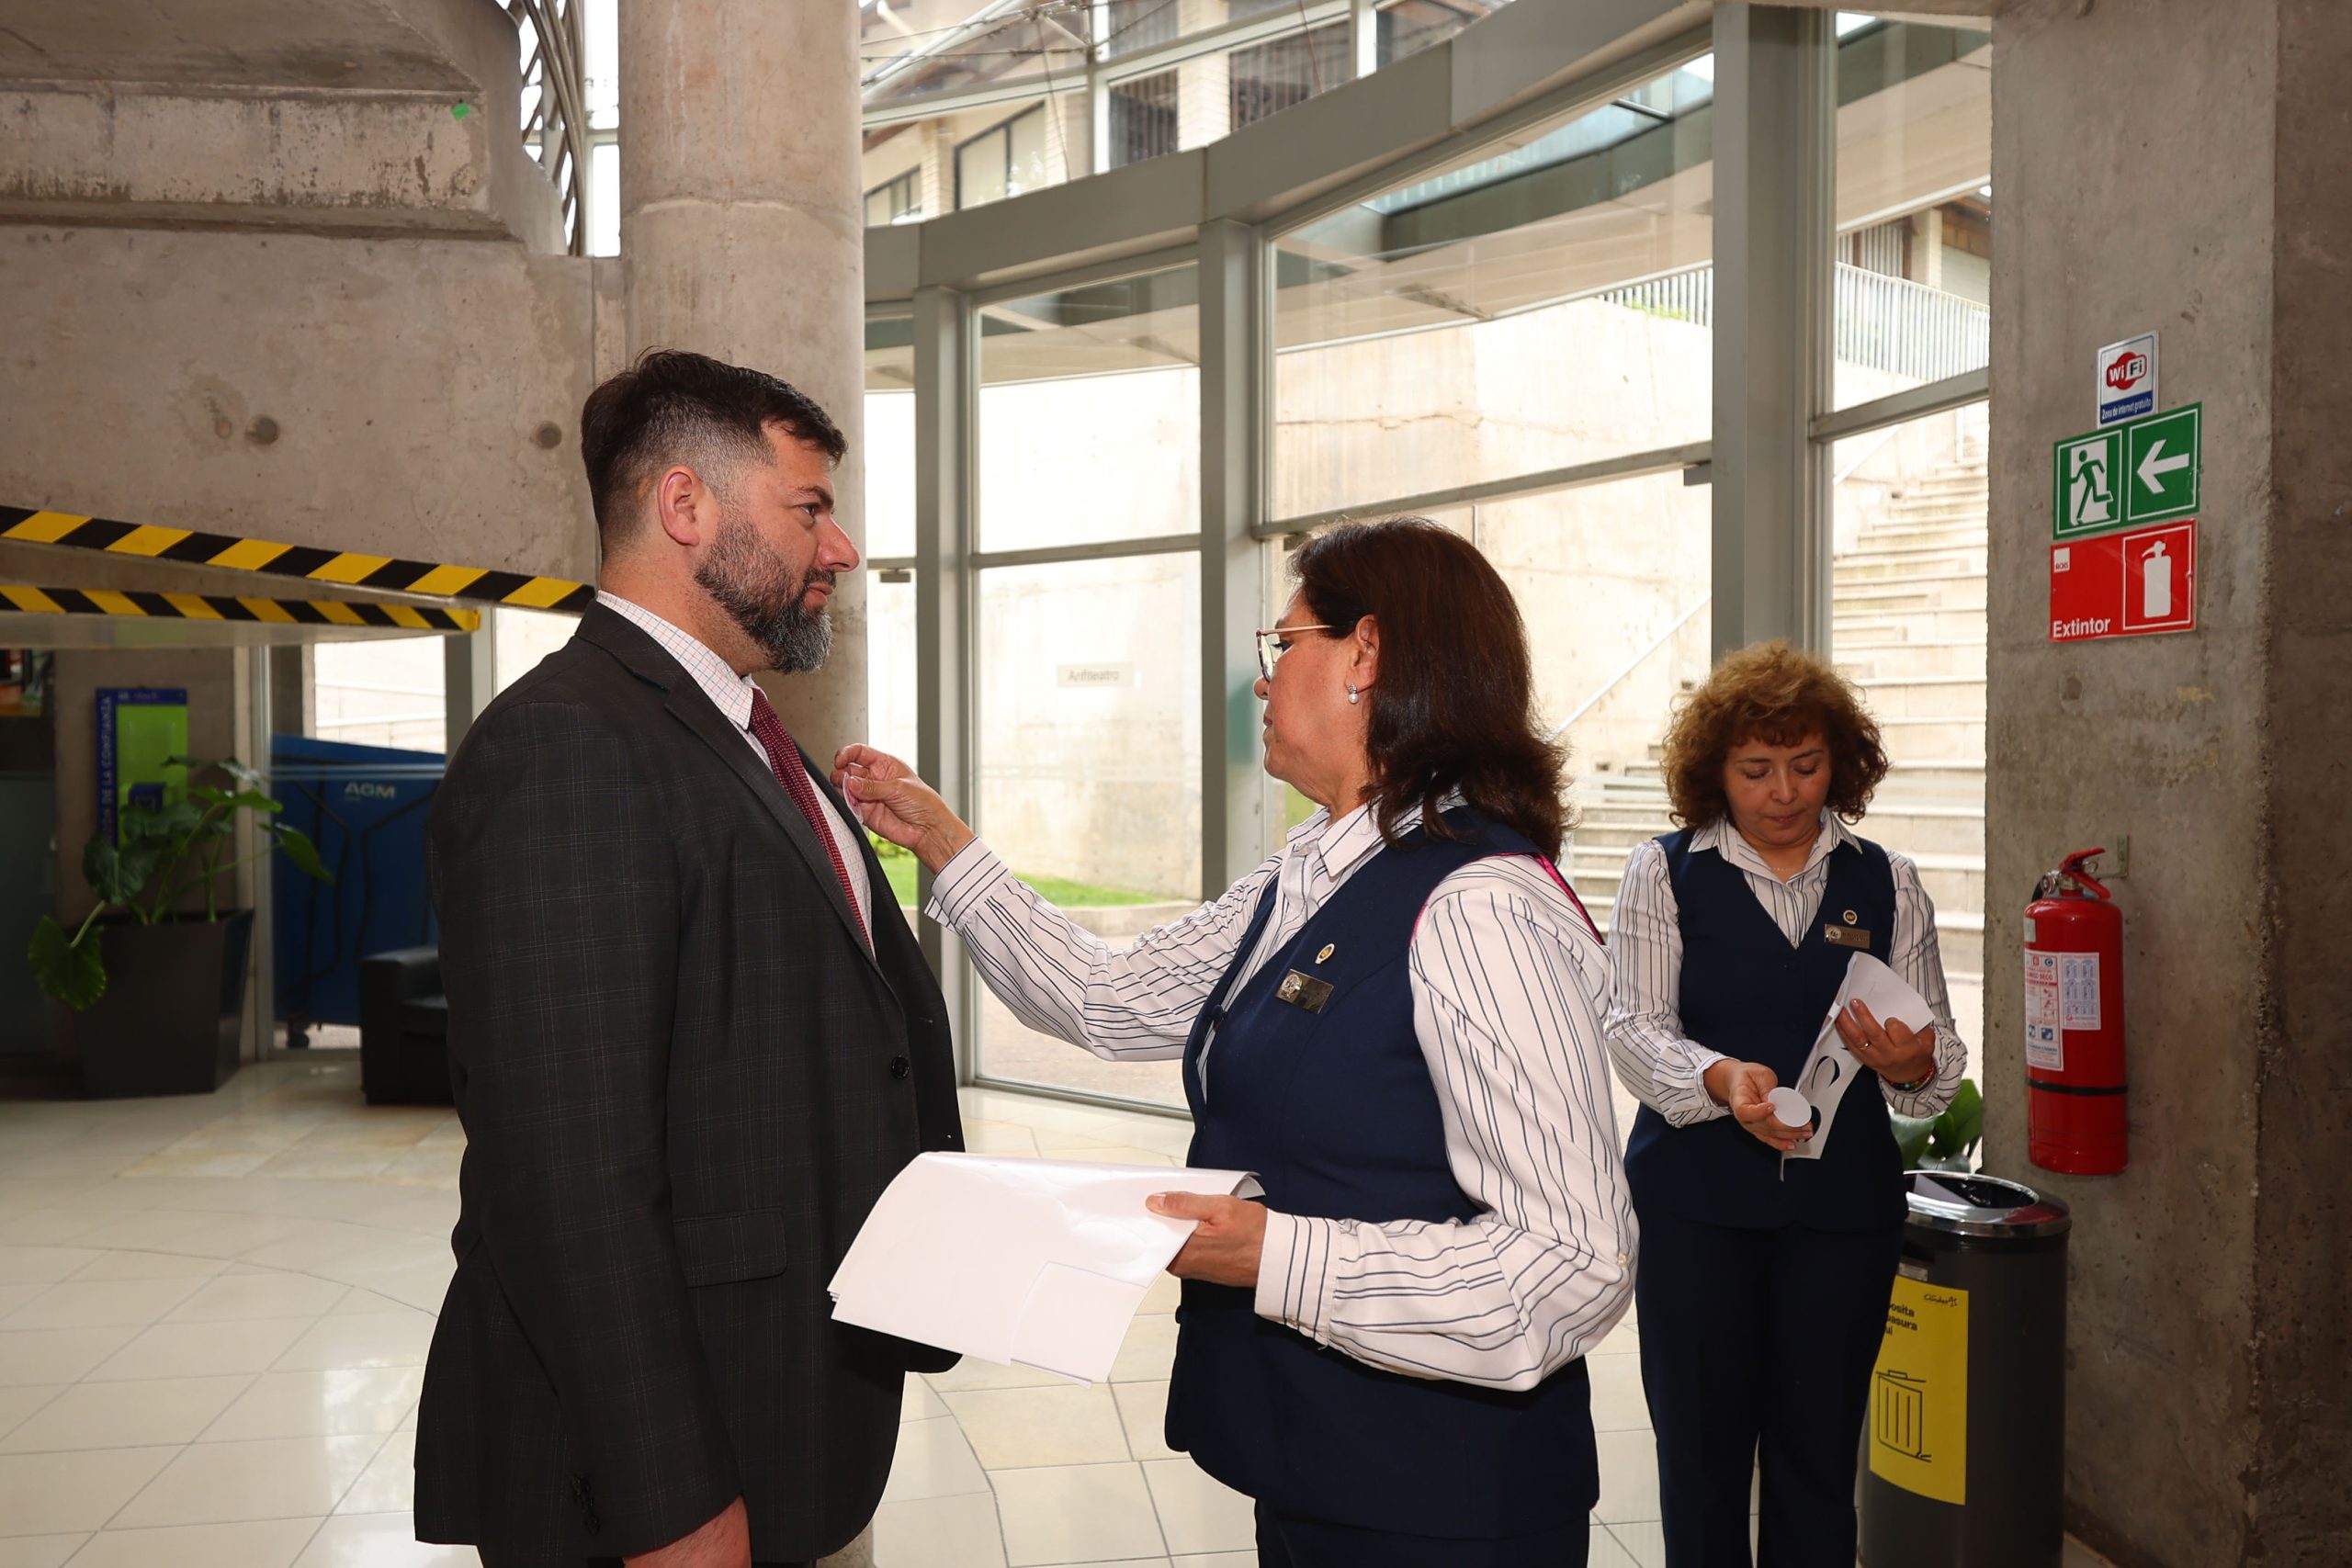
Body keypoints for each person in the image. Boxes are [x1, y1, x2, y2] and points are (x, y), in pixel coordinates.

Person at [837, 517, 1636, 1568]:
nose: (1262, 682)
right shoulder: (1309, 872)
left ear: (1366, 655)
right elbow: (1108, 997)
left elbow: (1572, 1264)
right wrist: (941, 843)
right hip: (1316, 1465)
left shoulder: (1477, 906)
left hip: (1441, 1501)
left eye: (1282, 644)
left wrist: (1273, 1252)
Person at [416, 350, 963, 1568]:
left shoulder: (746, 734)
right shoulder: (567, 748)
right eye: (810, 507)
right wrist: (671, 1501)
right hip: (674, 1468)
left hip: (785, 1406)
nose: (843, 548)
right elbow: (567, 1181)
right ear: (685, 508)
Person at [1602, 639, 1966, 1568]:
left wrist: (1913, 1061)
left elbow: (1938, 1069)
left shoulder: (1886, 881)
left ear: (1836, 762)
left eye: (1805, 766)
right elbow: (1632, 1028)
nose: (1783, 792)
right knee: (1701, 1458)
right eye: (1755, 770)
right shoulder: (1665, 872)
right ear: (1712, 773)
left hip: (1840, 1217)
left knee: (1815, 1460)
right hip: (1696, 1211)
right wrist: (1719, 1079)